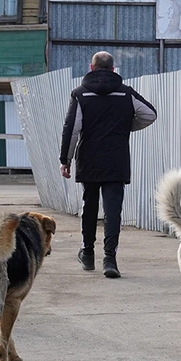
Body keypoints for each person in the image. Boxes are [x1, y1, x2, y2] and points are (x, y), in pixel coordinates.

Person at [59, 52, 157, 278]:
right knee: (113, 211)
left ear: (91, 68)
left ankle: (88, 253)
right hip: (116, 158)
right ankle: (110, 259)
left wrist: (66, 159)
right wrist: (125, 126)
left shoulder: (81, 94)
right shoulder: (126, 93)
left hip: (89, 158)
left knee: (89, 207)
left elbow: (72, 128)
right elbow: (150, 114)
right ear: (113, 69)